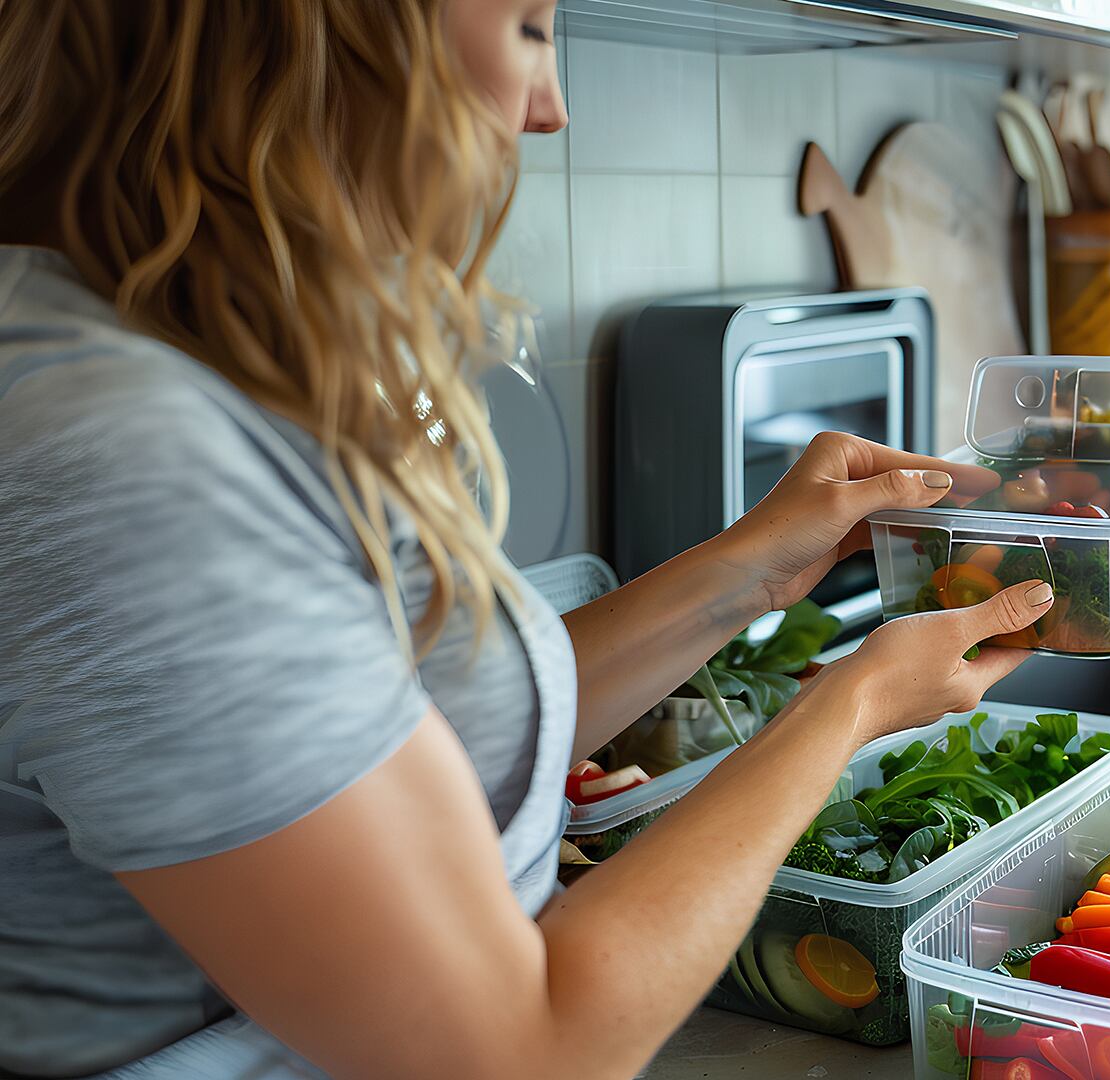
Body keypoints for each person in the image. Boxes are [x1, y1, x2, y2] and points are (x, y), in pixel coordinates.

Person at [0, 2, 1054, 1076]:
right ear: (339, 34)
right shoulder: (123, 455)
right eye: (530, 31)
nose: (549, 110)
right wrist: (853, 705)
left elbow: (410, 750)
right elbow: (520, 1048)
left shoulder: (176, 353)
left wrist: (742, 577)